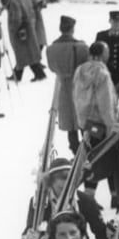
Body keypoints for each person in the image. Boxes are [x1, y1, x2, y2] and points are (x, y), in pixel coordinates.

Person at [47, 15, 89, 152]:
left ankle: (74, 147)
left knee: (69, 120)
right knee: (82, 117)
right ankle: (86, 146)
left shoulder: (51, 48)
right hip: (79, 85)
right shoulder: (81, 47)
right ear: (72, 29)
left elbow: (52, 68)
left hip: (62, 86)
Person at [73, 41, 119, 140]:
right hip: (100, 123)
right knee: (100, 152)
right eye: (107, 52)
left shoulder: (79, 70)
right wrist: (110, 125)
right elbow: (105, 102)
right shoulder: (102, 74)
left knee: (87, 150)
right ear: (103, 54)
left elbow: (75, 94)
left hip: (84, 121)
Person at [4, 0, 46, 81]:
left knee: (23, 53)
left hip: (20, 32)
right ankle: (18, 74)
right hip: (29, 29)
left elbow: (17, 17)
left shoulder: (15, 0)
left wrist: (14, 29)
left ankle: (38, 74)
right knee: (28, 52)